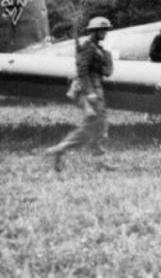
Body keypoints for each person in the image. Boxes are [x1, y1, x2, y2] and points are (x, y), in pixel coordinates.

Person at [45, 16, 114, 172]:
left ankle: (99, 161)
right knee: (93, 125)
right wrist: (89, 93)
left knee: (100, 125)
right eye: (102, 30)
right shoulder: (88, 48)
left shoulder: (98, 49)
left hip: (96, 89)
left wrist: (107, 53)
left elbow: (107, 71)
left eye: (106, 29)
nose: (105, 32)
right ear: (94, 31)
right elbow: (82, 72)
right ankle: (60, 149)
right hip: (88, 90)